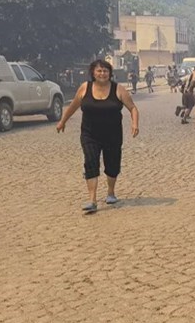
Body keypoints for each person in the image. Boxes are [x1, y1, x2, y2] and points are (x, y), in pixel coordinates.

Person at [56, 59, 139, 214]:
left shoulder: (118, 89)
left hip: (113, 135)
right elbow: (73, 106)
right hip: (89, 134)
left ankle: (111, 192)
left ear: (110, 73)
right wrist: (62, 121)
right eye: (99, 71)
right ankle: (92, 200)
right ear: (93, 73)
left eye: (105, 71)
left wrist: (135, 124)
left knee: (112, 164)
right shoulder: (84, 88)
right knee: (90, 161)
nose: (102, 74)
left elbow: (133, 108)